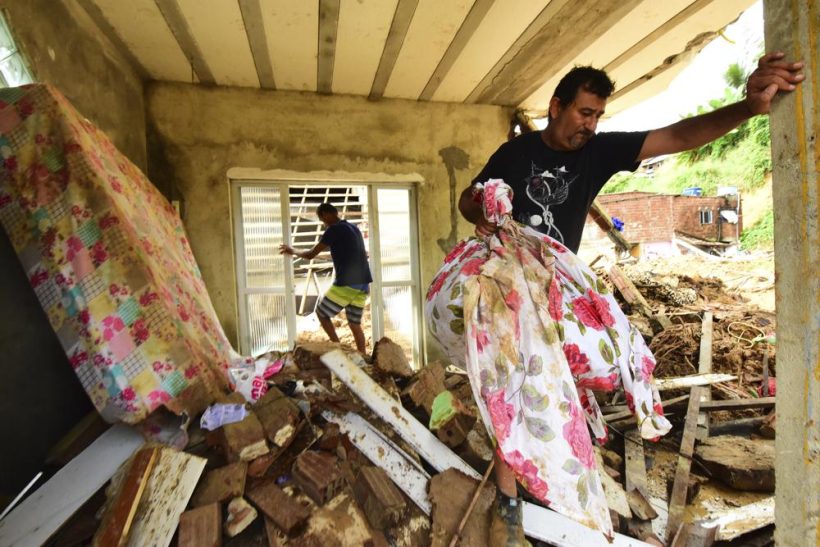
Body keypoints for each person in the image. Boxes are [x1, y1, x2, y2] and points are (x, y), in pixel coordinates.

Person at [451, 51, 803, 544]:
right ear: (556, 107)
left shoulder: (598, 153)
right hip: (509, 288)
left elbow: (678, 136)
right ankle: (510, 497)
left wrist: (746, 108)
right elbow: (470, 197)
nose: (591, 126)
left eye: (597, 116)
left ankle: (560, 474)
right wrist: (481, 207)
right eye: (583, 113)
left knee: (575, 375)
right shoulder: (516, 154)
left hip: (557, 288)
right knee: (507, 377)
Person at [279, 202, 372, 354]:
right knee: (354, 324)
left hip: (348, 283)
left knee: (321, 313)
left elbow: (310, 255)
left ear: (326, 215)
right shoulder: (354, 228)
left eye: (322, 219)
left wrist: (292, 250)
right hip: (363, 283)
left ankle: (338, 348)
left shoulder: (333, 230)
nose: (323, 223)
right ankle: (363, 356)